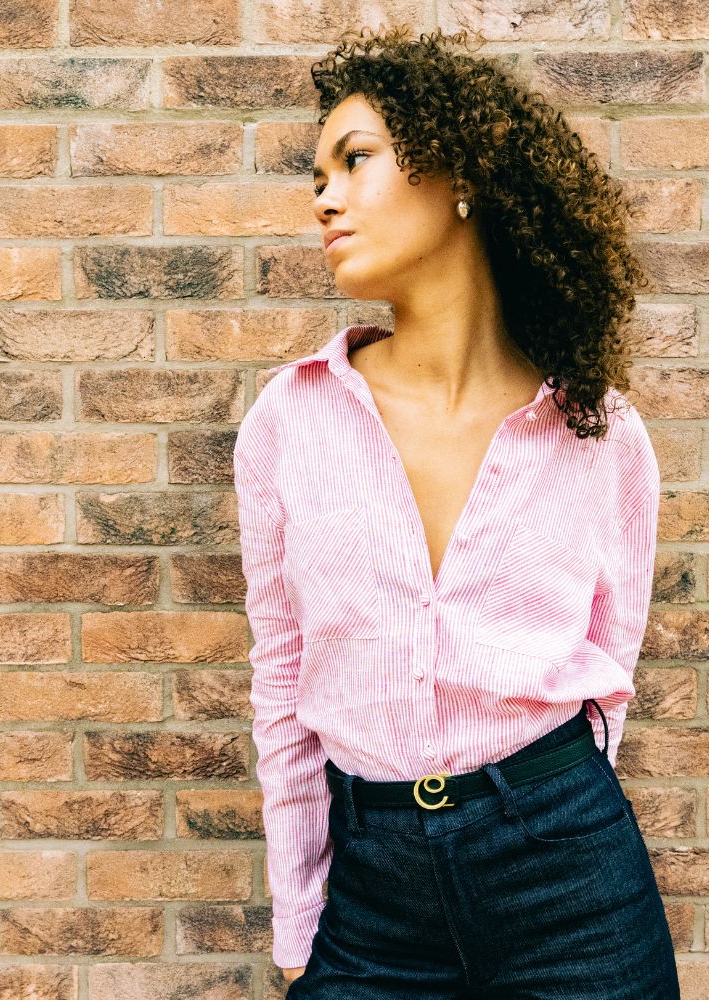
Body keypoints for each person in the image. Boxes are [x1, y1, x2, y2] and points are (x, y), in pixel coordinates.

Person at [233, 25, 675, 999]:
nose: (324, 197)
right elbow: (282, 677)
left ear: (460, 171)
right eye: (318, 176)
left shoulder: (597, 430)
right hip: (373, 893)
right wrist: (299, 912)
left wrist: (539, 813)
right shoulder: (290, 420)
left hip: (570, 870)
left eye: (355, 159)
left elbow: (613, 659)